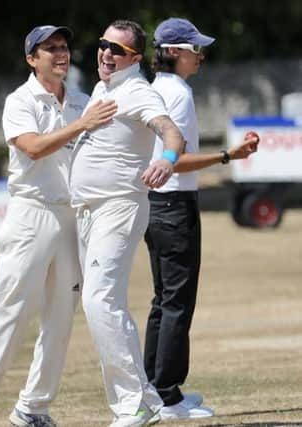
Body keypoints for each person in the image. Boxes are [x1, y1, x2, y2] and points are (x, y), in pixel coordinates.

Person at [0, 25, 117, 427]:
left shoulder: (84, 100)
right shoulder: (20, 100)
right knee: (11, 309)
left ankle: (34, 407)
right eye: (50, 49)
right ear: (32, 58)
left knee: (62, 317)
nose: (60, 54)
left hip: (72, 216)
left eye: (63, 47)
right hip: (31, 212)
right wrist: (82, 125)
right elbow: (32, 147)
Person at [69, 20, 187, 427]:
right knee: (107, 304)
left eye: (116, 50)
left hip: (118, 208)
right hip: (89, 210)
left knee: (98, 300)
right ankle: (148, 398)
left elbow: (172, 135)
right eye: (103, 45)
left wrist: (166, 161)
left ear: (135, 59)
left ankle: (132, 405)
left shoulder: (138, 90)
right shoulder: (104, 88)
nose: (105, 53)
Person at [142, 17, 259, 421]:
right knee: (177, 302)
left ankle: (155, 387)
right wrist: (229, 156)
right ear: (173, 52)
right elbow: (174, 160)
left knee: (164, 300)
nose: (201, 55)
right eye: (194, 49)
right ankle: (168, 395)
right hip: (174, 205)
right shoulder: (177, 94)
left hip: (157, 206)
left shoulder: (157, 90)